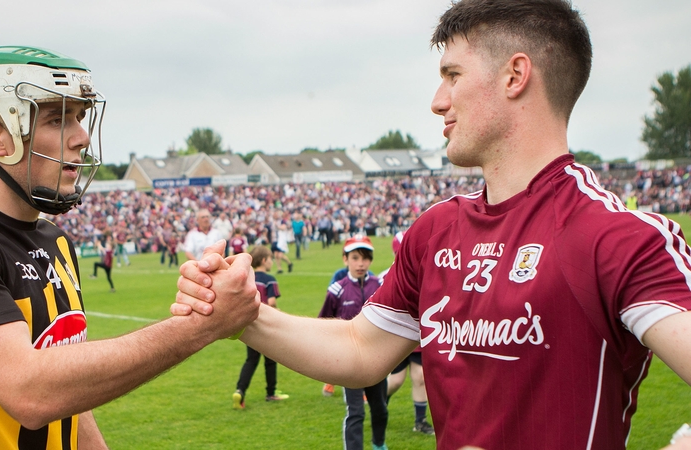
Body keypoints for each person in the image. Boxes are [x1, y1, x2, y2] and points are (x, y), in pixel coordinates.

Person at [173, 2, 691, 449]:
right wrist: (244, 317)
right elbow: (360, 350)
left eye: (453, 75)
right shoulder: (436, 231)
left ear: (515, 76)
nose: (437, 100)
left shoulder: (620, 239)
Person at [0, 46, 259, 449]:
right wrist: (201, 326)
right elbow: (30, 391)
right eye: (57, 119)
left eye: (80, 118)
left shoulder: (56, 241)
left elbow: (67, 387)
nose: (81, 137)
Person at [318, 235, 388, 450]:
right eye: (355, 257)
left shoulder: (381, 285)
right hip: (350, 362)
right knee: (356, 411)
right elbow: (323, 324)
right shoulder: (336, 290)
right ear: (345, 259)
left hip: (377, 360)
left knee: (380, 409)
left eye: (365, 258)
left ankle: (378, 444)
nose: (360, 263)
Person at [380, 231, 434, 436]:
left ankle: (420, 421)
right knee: (395, 380)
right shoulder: (386, 276)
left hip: (421, 334)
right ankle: (379, 403)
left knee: (420, 377)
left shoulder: (430, 273)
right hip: (398, 334)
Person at [232, 245, 289, 409]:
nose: (271, 261)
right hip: (265, 324)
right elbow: (271, 303)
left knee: (251, 360)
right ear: (264, 260)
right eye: (270, 258)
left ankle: (240, 391)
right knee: (271, 360)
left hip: (249, 324)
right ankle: (271, 392)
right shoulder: (269, 279)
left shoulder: (247, 279)